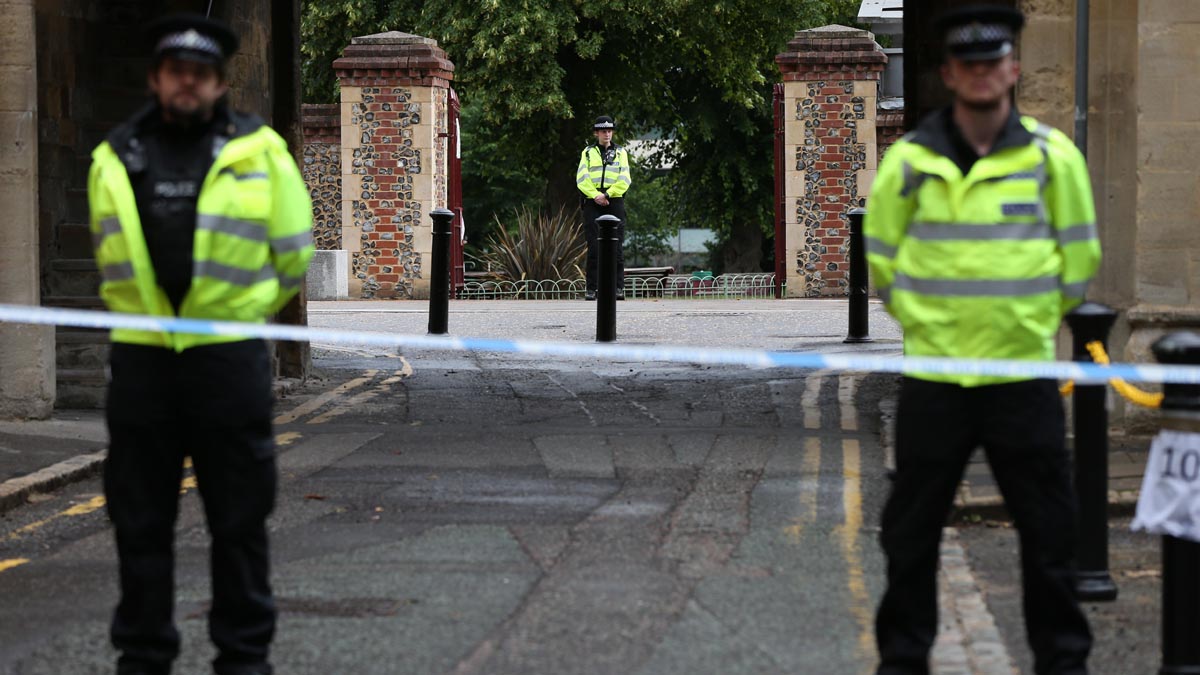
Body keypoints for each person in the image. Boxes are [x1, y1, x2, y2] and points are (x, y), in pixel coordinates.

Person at [865, 5, 1101, 674]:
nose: (980, 74)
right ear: (948, 74)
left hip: (1021, 376)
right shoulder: (909, 161)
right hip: (937, 378)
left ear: (1013, 69)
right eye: (967, 64)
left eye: (991, 62)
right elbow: (882, 258)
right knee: (910, 537)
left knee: (1050, 536)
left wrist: (1028, 325)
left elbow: (1078, 262)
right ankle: (903, 662)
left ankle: (1063, 664)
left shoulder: (1055, 159)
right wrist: (926, 324)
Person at [87, 13, 313, 675]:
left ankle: (244, 658)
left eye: (202, 72)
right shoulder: (114, 155)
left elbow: (293, 255)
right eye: (176, 70)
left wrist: (241, 314)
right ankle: (144, 655)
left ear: (219, 82)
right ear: (157, 77)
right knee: (139, 522)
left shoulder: (261, 151)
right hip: (142, 363)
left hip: (227, 360)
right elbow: (108, 261)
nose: (188, 81)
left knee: (239, 520)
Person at [576, 115, 632, 300]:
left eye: (609, 131)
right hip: (593, 201)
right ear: (596, 133)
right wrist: (595, 195)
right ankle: (592, 289)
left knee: (617, 247)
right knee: (593, 246)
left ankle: (618, 288)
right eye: (603, 131)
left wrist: (607, 194)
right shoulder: (587, 152)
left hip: (613, 200)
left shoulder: (621, 152)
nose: (607, 134)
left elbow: (625, 179)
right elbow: (582, 179)